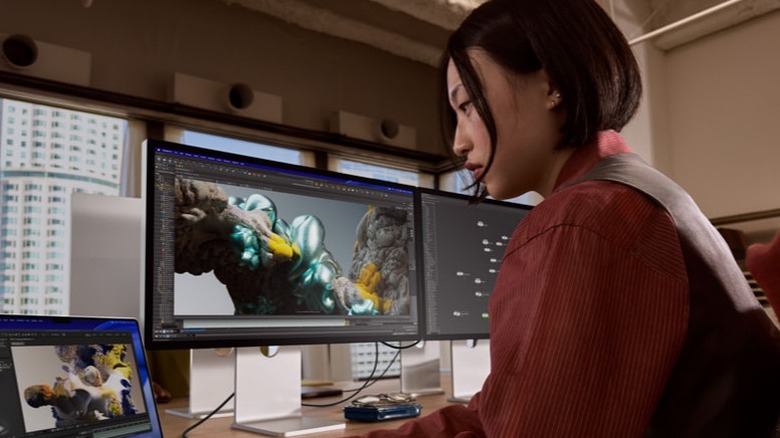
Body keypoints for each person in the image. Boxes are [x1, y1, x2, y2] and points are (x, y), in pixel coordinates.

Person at [354, 0, 780, 436]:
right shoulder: (639, 195)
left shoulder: (579, 221)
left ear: (551, 84)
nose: (459, 142)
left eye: (467, 106)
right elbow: (503, 411)